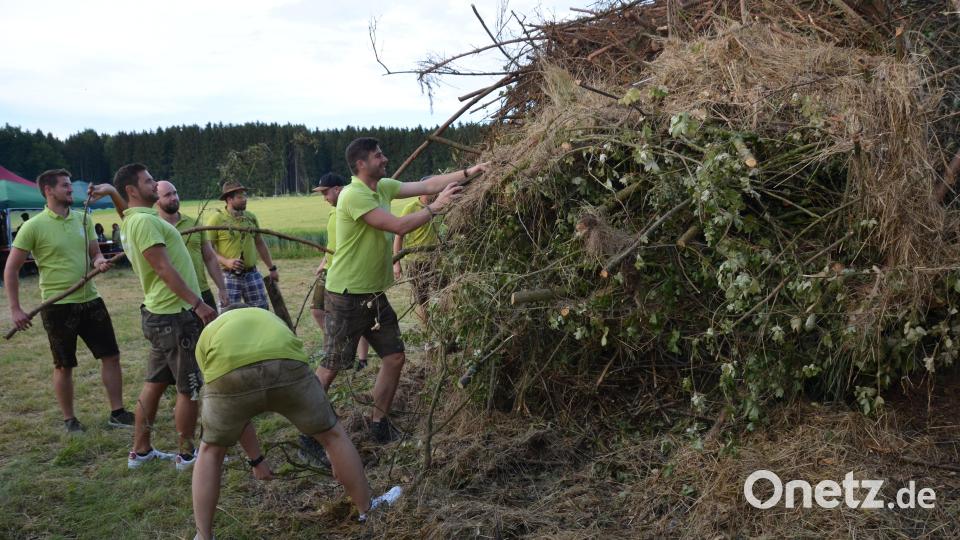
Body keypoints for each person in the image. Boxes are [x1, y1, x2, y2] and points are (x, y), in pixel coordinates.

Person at [320, 136, 486, 443]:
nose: (385, 159)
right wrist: (436, 207)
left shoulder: (382, 187)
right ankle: (309, 433)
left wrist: (469, 172)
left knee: (394, 356)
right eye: (378, 155)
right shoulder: (353, 195)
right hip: (346, 294)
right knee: (331, 367)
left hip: (373, 294)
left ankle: (379, 424)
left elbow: (427, 184)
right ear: (361, 164)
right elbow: (398, 226)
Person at [191, 304, 400, 539]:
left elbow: (239, 416)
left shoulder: (211, 331)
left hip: (226, 370)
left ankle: (203, 536)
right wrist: (334, 454)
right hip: (285, 362)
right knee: (333, 437)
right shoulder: (268, 317)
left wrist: (256, 459)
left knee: (210, 451)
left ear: (223, 317)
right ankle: (367, 509)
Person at [3, 168, 134, 432]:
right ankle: (70, 420)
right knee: (64, 365)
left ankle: (117, 413)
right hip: (57, 307)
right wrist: (15, 308)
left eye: (70, 184)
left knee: (111, 356)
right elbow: (11, 269)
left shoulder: (83, 219)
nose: (71, 189)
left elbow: (94, 253)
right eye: (65, 185)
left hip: (91, 300)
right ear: (48, 190)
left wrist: (99, 261)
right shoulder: (33, 226)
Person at [113, 163, 217, 471]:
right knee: (189, 387)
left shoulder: (134, 218)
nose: (154, 183)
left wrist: (108, 192)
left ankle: (141, 450)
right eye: (148, 180)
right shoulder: (145, 222)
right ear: (132, 190)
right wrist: (197, 304)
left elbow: (125, 208)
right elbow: (162, 267)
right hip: (175, 316)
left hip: (160, 314)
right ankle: (186, 454)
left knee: (154, 383)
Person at [156, 181, 229, 311]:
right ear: (156, 200)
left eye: (175, 193)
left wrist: (222, 288)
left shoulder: (194, 224)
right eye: (167, 195)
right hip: (172, 296)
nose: (174, 198)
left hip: (201, 291)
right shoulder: (154, 227)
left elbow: (210, 258)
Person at [204, 181, 278, 310]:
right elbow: (208, 250)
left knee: (260, 312)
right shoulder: (217, 220)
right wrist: (227, 262)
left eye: (245, 196)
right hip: (228, 276)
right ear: (229, 199)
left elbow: (260, 243)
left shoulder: (250, 218)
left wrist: (272, 268)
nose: (245, 199)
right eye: (240, 197)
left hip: (252, 274)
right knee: (228, 314)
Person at [392, 188, 441, 328]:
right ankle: (427, 330)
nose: (437, 193)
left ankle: (442, 327)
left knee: (445, 293)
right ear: (423, 192)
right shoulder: (411, 208)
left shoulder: (440, 206)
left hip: (436, 260)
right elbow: (399, 235)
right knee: (423, 300)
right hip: (416, 261)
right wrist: (396, 263)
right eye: (434, 190)